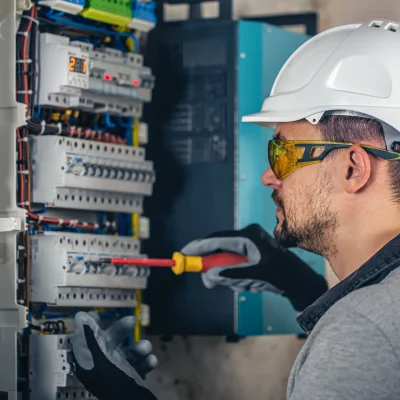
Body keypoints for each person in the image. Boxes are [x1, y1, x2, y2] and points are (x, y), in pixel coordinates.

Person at [72, 19, 400, 399]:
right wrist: (301, 287)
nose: (267, 177)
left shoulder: (363, 330)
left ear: (353, 168)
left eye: (282, 153)